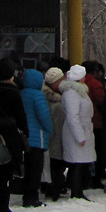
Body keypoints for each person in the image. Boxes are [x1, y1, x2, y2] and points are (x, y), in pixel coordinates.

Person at [0, 59, 25, 212]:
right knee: (7, 173)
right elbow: (21, 116)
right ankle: (4, 207)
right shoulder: (13, 92)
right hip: (10, 136)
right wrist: (25, 132)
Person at [60, 65, 96, 200]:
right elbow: (72, 117)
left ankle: (78, 191)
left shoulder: (78, 92)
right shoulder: (72, 93)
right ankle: (76, 192)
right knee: (76, 164)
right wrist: (80, 136)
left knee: (80, 163)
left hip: (83, 129)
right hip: (76, 132)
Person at [19, 67, 52, 208]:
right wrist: (50, 129)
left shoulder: (21, 93)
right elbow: (44, 116)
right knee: (36, 169)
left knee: (28, 167)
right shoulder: (38, 96)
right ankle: (32, 197)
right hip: (38, 137)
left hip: (25, 137)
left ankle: (27, 194)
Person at [43, 67, 67, 201]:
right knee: (55, 163)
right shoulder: (54, 101)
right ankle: (54, 188)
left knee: (54, 163)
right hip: (54, 135)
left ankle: (53, 187)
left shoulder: (53, 97)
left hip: (54, 135)